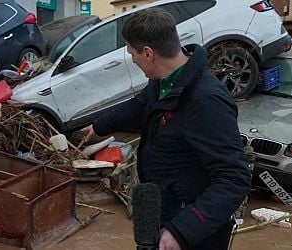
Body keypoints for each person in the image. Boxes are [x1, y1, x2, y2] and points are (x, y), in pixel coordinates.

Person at [81, 8, 251, 250]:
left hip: (190, 230)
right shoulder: (165, 83)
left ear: (148, 53)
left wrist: (181, 232)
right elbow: (138, 106)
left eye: (133, 54)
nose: (133, 60)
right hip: (157, 207)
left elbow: (235, 179)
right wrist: (98, 127)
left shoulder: (206, 101)